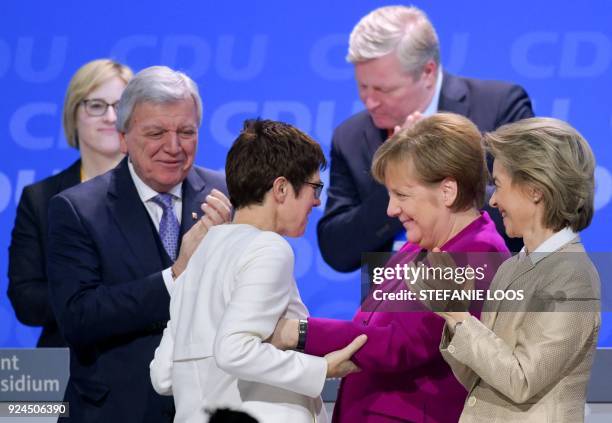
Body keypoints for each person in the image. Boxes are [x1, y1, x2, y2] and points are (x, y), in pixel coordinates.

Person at [270, 114, 510, 422]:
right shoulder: (417, 245)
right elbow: (370, 330)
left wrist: (296, 332)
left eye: (402, 195)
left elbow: (399, 344)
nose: (390, 210)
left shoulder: (479, 252)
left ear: (448, 191)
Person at [150, 119, 367, 423]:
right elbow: (234, 351)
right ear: (281, 188)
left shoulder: (199, 255)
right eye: (314, 188)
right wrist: (322, 369)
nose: (317, 201)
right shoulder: (268, 249)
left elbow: (163, 376)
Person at [47, 66, 231, 422]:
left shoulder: (225, 197)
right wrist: (175, 277)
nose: (173, 147)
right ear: (124, 137)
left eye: (186, 132)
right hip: (117, 411)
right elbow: (78, 317)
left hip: (209, 409)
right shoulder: (77, 209)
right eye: (156, 132)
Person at [318, 5, 534, 272]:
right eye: (363, 86)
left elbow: (531, 208)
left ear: (428, 72)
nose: (370, 101)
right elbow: (337, 250)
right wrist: (396, 184)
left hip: (487, 291)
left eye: (383, 89)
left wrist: (428, 178)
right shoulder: (350, 137)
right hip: (392, 305)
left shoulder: (499, 106)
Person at [436, 117, 600, 422]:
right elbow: (480, 379)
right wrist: (452, 315)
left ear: (535, 190)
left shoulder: (573, 275)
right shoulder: (511, 268)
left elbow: (521, 380)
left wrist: (460, 318)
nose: (494, 200)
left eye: (498, 185)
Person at [8, 59, 133, 347]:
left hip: (148, 360)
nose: (111, 117)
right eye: (96, 105)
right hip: (66, 359)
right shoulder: (40, 199)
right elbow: (25, 299)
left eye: (121, 105)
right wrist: (94, 302)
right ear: (73, 113)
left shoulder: (162, 190)